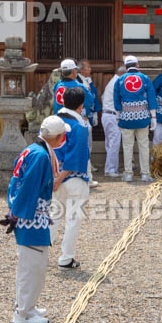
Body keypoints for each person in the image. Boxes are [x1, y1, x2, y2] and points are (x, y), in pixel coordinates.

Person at [5, 115, 68, 323]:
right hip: (31, 217)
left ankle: (28, 306)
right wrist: (18, 214)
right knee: (32, 266)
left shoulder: (31, 149)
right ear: (59, 138)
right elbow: (28, 188)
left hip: (29, 213)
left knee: (34, 264)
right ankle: (22, 313)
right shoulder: (41, 156)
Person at [53, 87, 91, 270]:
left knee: (54, 215)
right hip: (74, 178)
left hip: (53, 175)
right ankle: (66, 259)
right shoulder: (80, 127)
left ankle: (39, 253)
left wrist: (54, 179)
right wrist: (60, 178)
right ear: (81, 105)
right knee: (72, 219)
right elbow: (75, 158)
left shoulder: (52, 122)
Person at [113, 55, 157, 182]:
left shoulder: (120, 80)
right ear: (137, 65)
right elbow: (151, 98)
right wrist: (153, 117)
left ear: (125, 66)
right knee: (144, 145)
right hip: (143, 116)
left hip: (125, 118)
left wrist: (117, 117)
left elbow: (117, 102)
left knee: (127, 146)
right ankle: (145, 174)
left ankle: (128, 174)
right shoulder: (145, 78)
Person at [76, 59, 101, 187]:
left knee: (89, 142)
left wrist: (95, 112)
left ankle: (88, 163)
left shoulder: (88, 80)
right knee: (85, 142)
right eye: (88, 67)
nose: (90, 69)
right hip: (81, 113)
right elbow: (85, 98)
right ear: (81, 70)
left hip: (89, 113)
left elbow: (94, 96)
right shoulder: (77, 81)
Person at [53, 59, 96, 125]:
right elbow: (90, 101)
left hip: (58, 121)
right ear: (73, 71)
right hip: (74, 121)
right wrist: (85, 114)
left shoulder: (57, 85)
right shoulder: (78, 86)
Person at [101, 65, 125, 177]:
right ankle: (110, 169)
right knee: (113, 144)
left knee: (110, 143)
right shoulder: (117, 82)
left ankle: (111, 168)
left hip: (107, 114)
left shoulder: (113, 81)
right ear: (122, 73)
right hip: (111, 115)